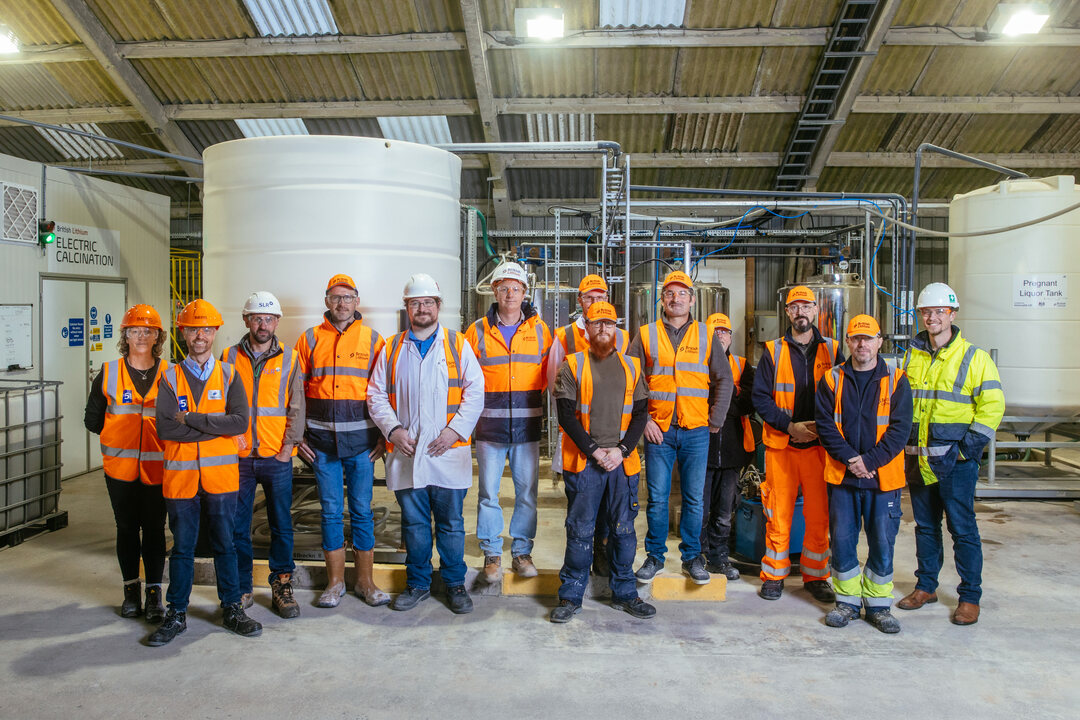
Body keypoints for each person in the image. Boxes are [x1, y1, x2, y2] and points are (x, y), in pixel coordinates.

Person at [367, 274, 485, 613]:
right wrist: (394, 431)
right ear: (407, 307)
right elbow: (375, 395)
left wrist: (455, 431)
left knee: (451, 525)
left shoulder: (457, 344)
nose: (422, 308)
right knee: (415, 525)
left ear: (438, 306)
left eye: (428, 302)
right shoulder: (391, 347)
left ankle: (454, 585)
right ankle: (417, 584)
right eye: (415, 302)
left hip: (449, 454)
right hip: (406, 453)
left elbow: (475, 392)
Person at [148, 299, 259, 646]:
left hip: (222, 479)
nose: (200, 335)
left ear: (215, 332)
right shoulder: (168, 377)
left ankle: (232, 607)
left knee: (226, 544)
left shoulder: (229, 375)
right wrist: (217, 427)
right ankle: (176, 613)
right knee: (182, 548)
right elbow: (166, 430)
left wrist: (193, 420)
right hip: (180, 479)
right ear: (183, 333)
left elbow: (241, 421)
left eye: (206, 329)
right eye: (193, 329)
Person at [898, 283, 1004, 626]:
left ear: (952, 315)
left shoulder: (975, 358)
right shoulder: (912, 354)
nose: (931, 317)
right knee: (925, 527)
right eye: (925, 312)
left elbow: (992, 408)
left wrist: (966, 451)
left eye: (938, 312)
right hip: (918, 457)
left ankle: (969, 597)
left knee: (962, 529)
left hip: (955, 461)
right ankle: (926, 586)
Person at [551, 301, 654, 623]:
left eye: (608, 324)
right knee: (580, 531)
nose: (603, 329)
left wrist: (621, 451)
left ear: (616, 329)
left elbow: (640, 414)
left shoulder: (632, 366)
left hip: (622, 464)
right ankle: (570, 597)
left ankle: (625, 593)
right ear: (587, 328)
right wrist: (596, 451)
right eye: (596, 323)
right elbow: (566, 416)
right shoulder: (571, 365)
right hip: (585, 464)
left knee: (624, 531)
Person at [628, 271, 733, 585]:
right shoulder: (645, 334)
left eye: (682, 293)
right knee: (658, 499)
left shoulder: (705, 334)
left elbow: (724, 379)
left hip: (696, 430)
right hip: (658, 430)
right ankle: (655, 557)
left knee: (694, 500)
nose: (676, 299)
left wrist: (715, 419)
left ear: (692, 299)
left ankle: (692, 558)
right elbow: (631, 379)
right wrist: (643, 420)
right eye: (669, 293)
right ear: (662, 299)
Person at [294, 274, 390, 609]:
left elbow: (383, 393)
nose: (341, 303)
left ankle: (366, 581)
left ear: (356, 300)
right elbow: (294, 393)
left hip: (362, 446)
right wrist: (297, 437)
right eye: (335, 297)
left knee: (362, 512)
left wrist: (384, 437)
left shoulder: (374, 340)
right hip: (322, 446)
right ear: (326, 301)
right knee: (331, 512)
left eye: (347, 297)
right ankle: (335, 583)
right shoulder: (308, 340)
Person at [816, 315, 912, 633]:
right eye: (856, 338)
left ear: (879, 341)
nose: (862, 344)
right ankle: (847, 601)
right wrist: (851, 460)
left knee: (882, 541)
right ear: (848, 342)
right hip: (843, 478)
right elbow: (826, 427)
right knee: (842, 540)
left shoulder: (897, 380)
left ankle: (879, 605)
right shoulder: (832, 380)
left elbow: (900, 431)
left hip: (882, 478)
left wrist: (869, 462)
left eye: (868, 338)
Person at [752, 285, 842, 602]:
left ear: (816, 310)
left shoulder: (833, 350)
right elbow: (760, 398)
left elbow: (844, 394)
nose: (800, 312)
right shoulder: (773, 351)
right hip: (782, 446)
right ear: (787, 312)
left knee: (819, 516)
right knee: (778, 513)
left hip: (820, 448)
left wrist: (821, 429)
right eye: (795, 307)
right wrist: (790, 427)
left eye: (806, 306)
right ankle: (774, 575)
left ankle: (815, 577)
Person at [466, 261, 552, 582]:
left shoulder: (541, 331)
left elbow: (548, 375)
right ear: (494, 291)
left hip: (527, 428)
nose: (510, 293)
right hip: (489, 428)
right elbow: (467, 378)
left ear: (525, 293)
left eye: (516, 288)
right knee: (488, 491)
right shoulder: (475, 331)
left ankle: (521, 552)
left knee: (527, 492)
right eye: (504, 288)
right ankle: (491, 552)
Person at [84, 304, 170, 623]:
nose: (142, 336)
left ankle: (154, 594)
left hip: (158, 468)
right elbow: (92, 419)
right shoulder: (108, 373)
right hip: (119, 470)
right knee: (126, 529)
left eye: (148, 330)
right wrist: (121, 435)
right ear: (125, 335)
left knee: (154, 530)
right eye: (135, 330)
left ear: (157, 336)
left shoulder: (170, 374)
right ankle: (131, 591)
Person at [222, 291, 305, 619]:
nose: (263, 324)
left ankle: (282, 584)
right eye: (257, 318)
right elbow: (219, 404)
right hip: (239, 458)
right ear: (246, 321)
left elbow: (296, 406)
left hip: (276, 457)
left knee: (282, 524)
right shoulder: (228, 357)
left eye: (269, 319)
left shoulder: (290, 357)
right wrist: (230, 445)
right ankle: (243, 585)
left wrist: (288, 449)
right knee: (238, 525)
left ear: (277, 322)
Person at [547, 274, 631, 575]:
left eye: (600, 296)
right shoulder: (564, 335)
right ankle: (579, 571)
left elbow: (631, 382)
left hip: (614, 438)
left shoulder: (622, 336)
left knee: (612, 509)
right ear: (579, 301)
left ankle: (602, 559)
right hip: (579, 436)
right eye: (589, 297)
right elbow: (554, 385)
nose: (595, 302)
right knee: (581, 509)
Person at [699, 313, 756, 581]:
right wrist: (730, 394)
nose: (721, 335)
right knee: (699, 508)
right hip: (701, 448)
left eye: (725, 331)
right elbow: (696, 401)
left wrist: (720, 398)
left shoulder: (744, 366)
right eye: (715, 331)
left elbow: (748, 404)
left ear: (731, 337)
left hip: (733, 451)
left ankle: (719, 557)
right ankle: (697, 554)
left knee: (724, 510)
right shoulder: (697, 364)